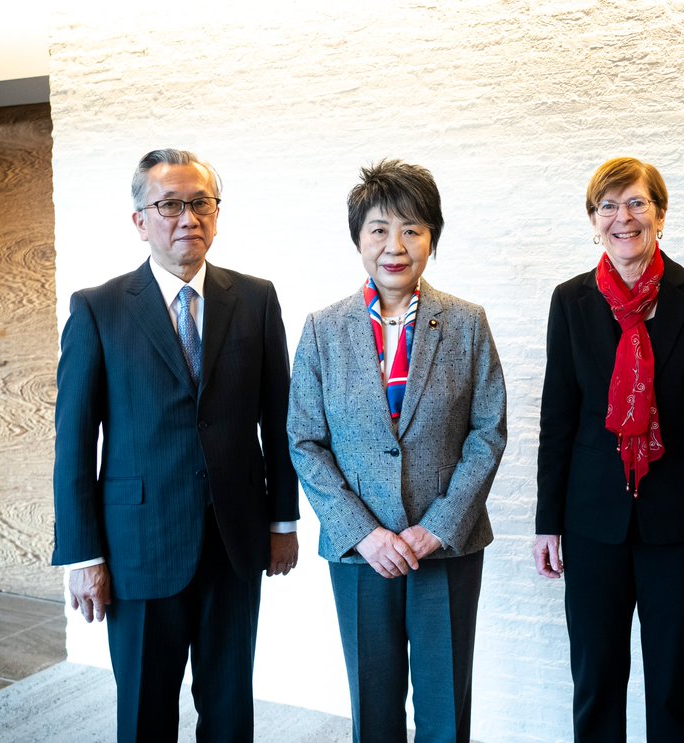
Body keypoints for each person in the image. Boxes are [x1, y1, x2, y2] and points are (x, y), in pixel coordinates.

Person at [52, 148, 300, 741]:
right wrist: (83, 557)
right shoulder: (99, 309)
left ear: (216, 213)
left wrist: (283, 521)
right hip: (138, 546)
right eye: (169, 204)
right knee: (144, 710)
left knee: (230, 707)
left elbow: (279, 418)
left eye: (201, 203)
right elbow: (74, 442)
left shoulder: (256, 299)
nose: (188, 217)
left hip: (235, 539)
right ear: (140, 220)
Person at [287, 160, 507, 743]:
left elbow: (488, 432)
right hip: (361, 555)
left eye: (412, 229)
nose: (395, 245)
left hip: (445, 548)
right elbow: (304, 441)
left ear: (432, 237)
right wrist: (363, 532)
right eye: (379, 229)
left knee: (444, 708)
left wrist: (437, 527)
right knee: (374, 710)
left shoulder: (466, 324)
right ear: (358, 239)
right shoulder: (322, 330)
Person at [534, 157, 684, 742]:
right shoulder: (572, 301)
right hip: (592, 522)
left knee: (675, 684)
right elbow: (558, 419)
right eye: (608, 206)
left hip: (680, 524)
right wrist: (546, 522)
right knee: (597, 681)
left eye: (636, 203)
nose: (622, 217)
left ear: (660, 213)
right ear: (593, 220)